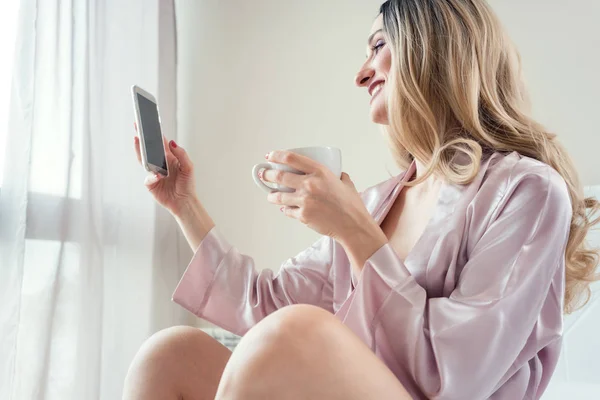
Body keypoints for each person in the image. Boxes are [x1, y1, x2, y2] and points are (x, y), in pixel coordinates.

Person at [123, 0, 600, 399]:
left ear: (430, 48)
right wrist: (183, 203)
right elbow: (262, 303)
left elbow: (461, 374)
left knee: (293, 335)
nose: (360, 74)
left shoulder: (528, 191)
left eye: (377, 46)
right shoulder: (375, 202)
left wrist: (356, 233)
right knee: (169, 356)